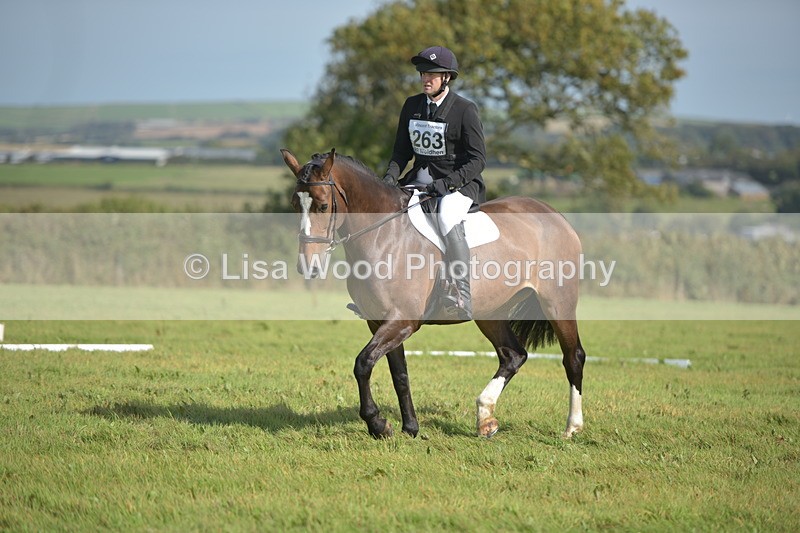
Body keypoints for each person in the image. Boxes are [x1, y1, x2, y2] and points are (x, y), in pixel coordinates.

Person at [382, 45, 487, 320]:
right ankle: (380, 294)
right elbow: (401, 152)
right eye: (423, 74)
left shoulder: (465, 110)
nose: (425, 78)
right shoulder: (412, 105)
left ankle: (462, 293)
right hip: (418, 181)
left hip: (459, 185)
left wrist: (448, 184)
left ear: (447, 77)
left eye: (432, 74)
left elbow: (478, 159)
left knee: (447, 215)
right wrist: (390, 177)